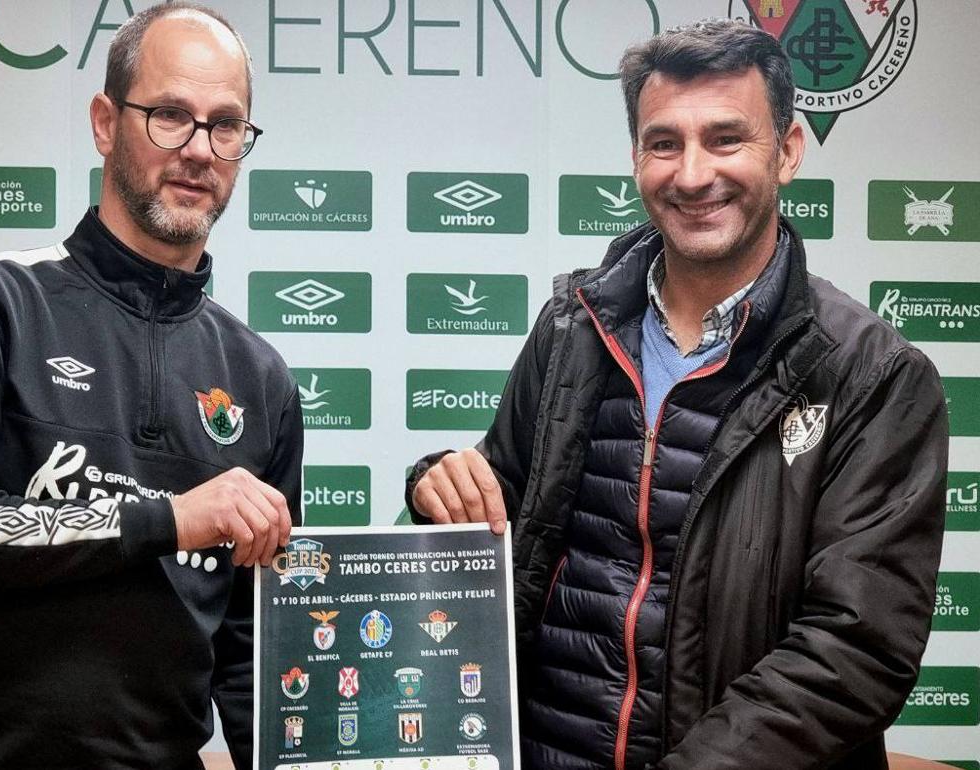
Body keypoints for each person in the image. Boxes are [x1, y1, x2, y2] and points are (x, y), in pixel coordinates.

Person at [405, 18, 947, 770]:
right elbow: (501, 507)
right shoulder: (572, 327)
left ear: (788, 151)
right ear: (636, 158)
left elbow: (855, 648)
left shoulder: (873, 374)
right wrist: (435, 483)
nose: (692, 174)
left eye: (725, 139)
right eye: (664, 143)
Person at [0, 4, 302, 768]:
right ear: (106, 123)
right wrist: (165, 520)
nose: (198, 149)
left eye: (225, 125)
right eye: (170, 116)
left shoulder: (261, 378)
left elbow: (250, 650)